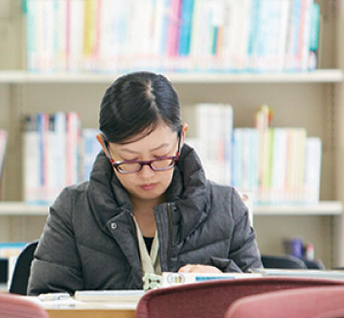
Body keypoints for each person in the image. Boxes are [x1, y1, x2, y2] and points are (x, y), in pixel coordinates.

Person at [28, 71, 262, 294]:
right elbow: (47, 303)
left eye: (160, 157)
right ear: (105, 146)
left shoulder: (227, 207)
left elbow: (261, 299)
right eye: (129, 160)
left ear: (181, 137)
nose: (147, 174)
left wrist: (223, 280)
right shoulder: (73, 208)